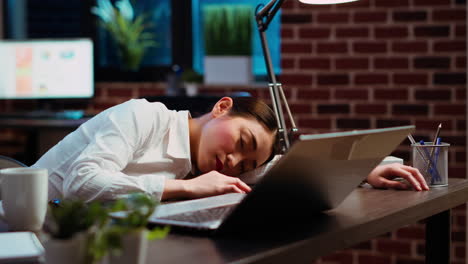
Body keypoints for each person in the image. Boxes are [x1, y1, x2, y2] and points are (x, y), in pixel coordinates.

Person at [32, 96, 428, 203]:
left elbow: (281, 169)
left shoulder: (212, 163)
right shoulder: (142, 117)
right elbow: (82, 182)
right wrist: (189, 188)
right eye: (242, 143)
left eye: (246, 163)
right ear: (221, 108)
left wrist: (365, 169)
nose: (235, 162)